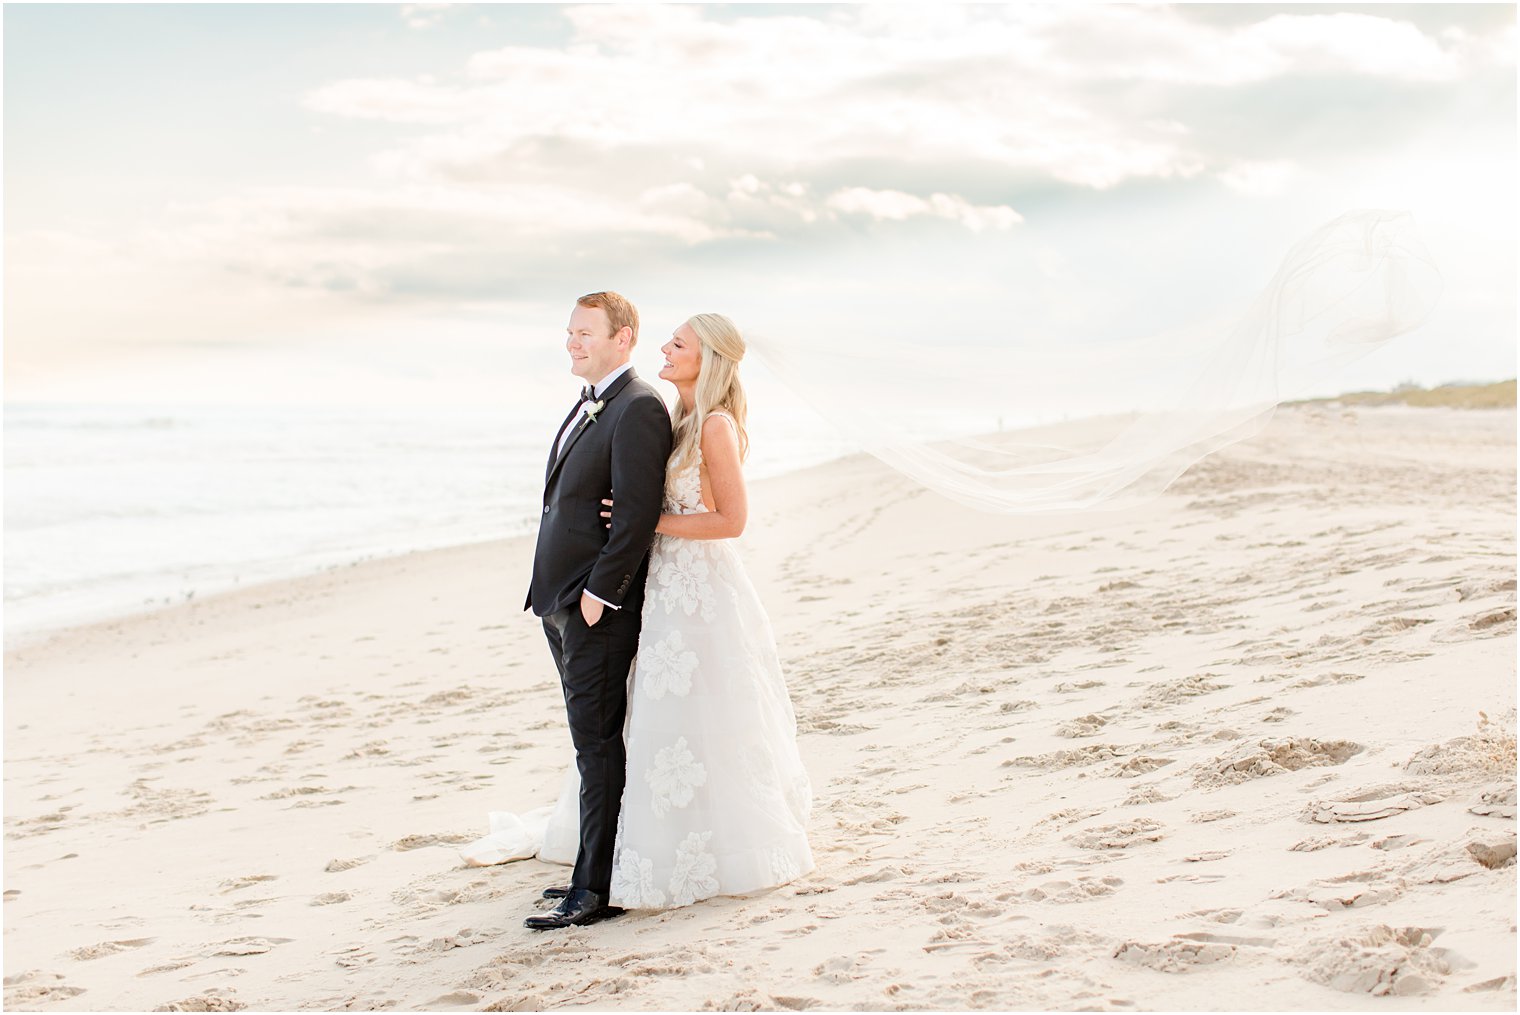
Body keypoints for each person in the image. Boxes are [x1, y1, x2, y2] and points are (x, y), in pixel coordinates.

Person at [592, 312, 815, 909]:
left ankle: (716, 844)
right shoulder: (677, 417)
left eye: (678, 342)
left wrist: (647, 522)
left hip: (700, 591)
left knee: (701, 714)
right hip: (666, 582)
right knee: (662, 713)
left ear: (708, 358)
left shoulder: (714, 425)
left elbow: (731, 522)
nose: (663, 347)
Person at [521, 291, 672, 930]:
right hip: (559, 600)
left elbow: (635, 519)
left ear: (623, 337)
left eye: (585, 332)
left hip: (594, 607)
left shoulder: (637, 408)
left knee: (598, 745)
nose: (572, 342)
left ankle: (593, 888)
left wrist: (597, 597)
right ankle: (588, 875)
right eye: (569, 332)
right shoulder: (593, 406)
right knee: (589, 744)